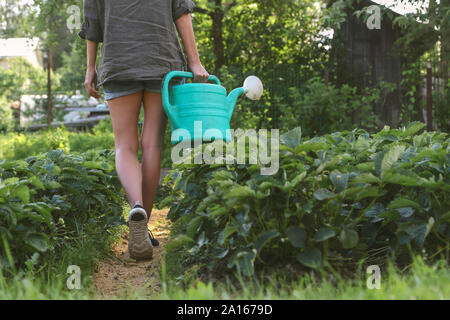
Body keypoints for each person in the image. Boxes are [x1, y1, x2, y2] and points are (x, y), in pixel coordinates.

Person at [78, 0, 209, 260]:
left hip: (119, 63)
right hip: (162, 62)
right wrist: (194, 62)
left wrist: (90, 68)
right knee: (152, 145)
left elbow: (93, 26)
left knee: (124, 146)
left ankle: (135, 206)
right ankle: (143, 223)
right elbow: (181, 12)